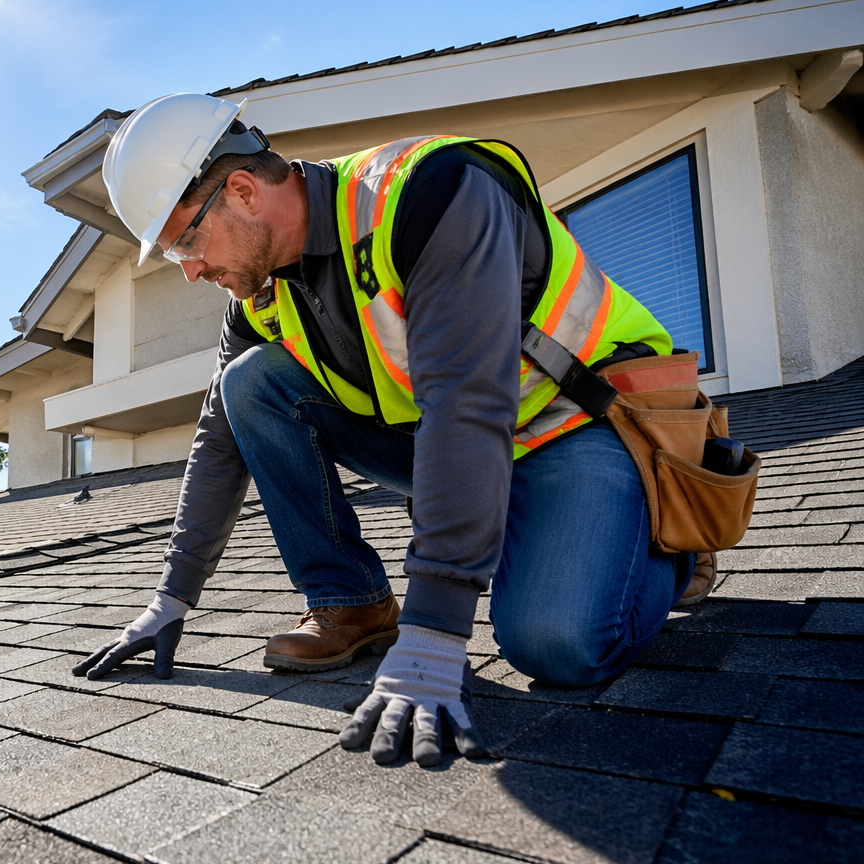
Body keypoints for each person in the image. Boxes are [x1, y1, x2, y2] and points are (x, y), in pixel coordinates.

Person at [73, 93, 703, 767]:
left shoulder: (428, 194)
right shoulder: (258, 298)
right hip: (454, 439)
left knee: (558, 646)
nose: (192, 269)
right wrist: (172, 595)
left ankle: (673, 541)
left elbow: (468, 400)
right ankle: (352, 605)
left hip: (577, 417)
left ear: (244, 191)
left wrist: (435, 631)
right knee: (248, 384)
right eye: (174, 256)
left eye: (186, 241)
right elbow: (218, 440)